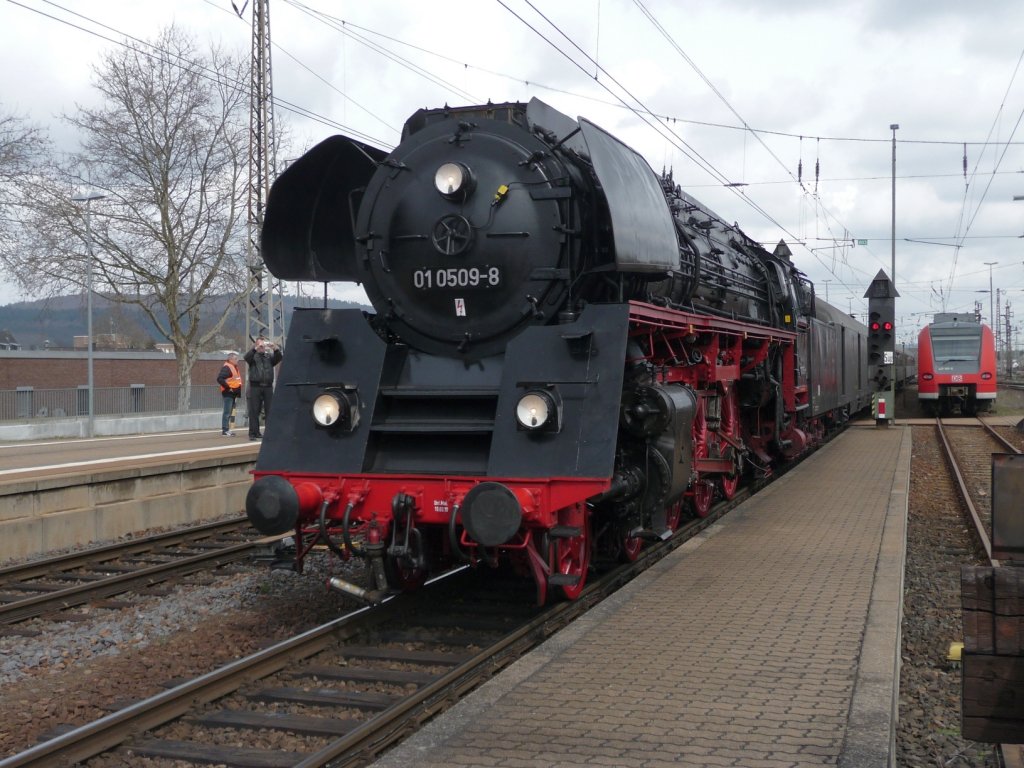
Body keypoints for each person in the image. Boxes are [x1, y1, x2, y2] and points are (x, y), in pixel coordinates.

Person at [244, 336, 282, 441]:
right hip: (256, 386)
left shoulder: (268, 357)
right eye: (260, 345)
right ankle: (253, 433)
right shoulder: (253, 356)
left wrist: (275, 348)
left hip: (268, 387)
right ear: (256, 345)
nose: (262, 347)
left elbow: (279, 358)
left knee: (269, 410)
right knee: (254, 410)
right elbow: (246, 357)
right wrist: (255, 348)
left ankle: (270, 433)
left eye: (263, 345)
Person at [216, 351, 242, 436]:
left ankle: (227, 430)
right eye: (235, 358)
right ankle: (225, 430)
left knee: (230, 411)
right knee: (227, 412)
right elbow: (220, 379)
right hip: (228, 393)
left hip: (232, 393)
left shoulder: (233, 367)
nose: (237, 360)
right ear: (230, 359)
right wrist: (228, 388)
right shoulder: (227, 367)